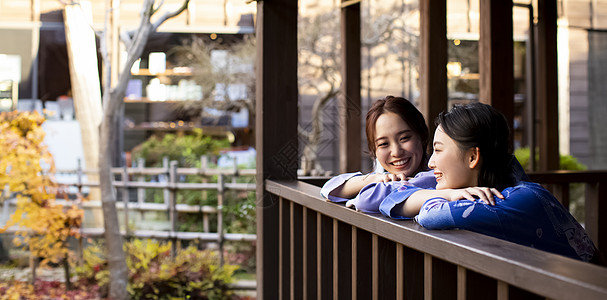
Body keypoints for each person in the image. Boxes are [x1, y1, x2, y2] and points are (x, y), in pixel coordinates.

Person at [379, 102, 599, 262]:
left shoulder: (523, 198)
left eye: (437, 150)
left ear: (473, 157)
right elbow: (390, 202)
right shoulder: (479, 190)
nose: (430, 163)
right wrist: (447, 194)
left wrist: (439, 197)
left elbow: (431, 215)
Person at [320, 96, 436, 213]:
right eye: (383, 144)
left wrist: (359, 196)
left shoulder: (438, 175)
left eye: (404, 138)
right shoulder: (386, 177)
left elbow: (365, 200)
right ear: (374, 150)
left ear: (422, 135)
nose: (396, 152)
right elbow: (328, 189)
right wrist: (375, 178)